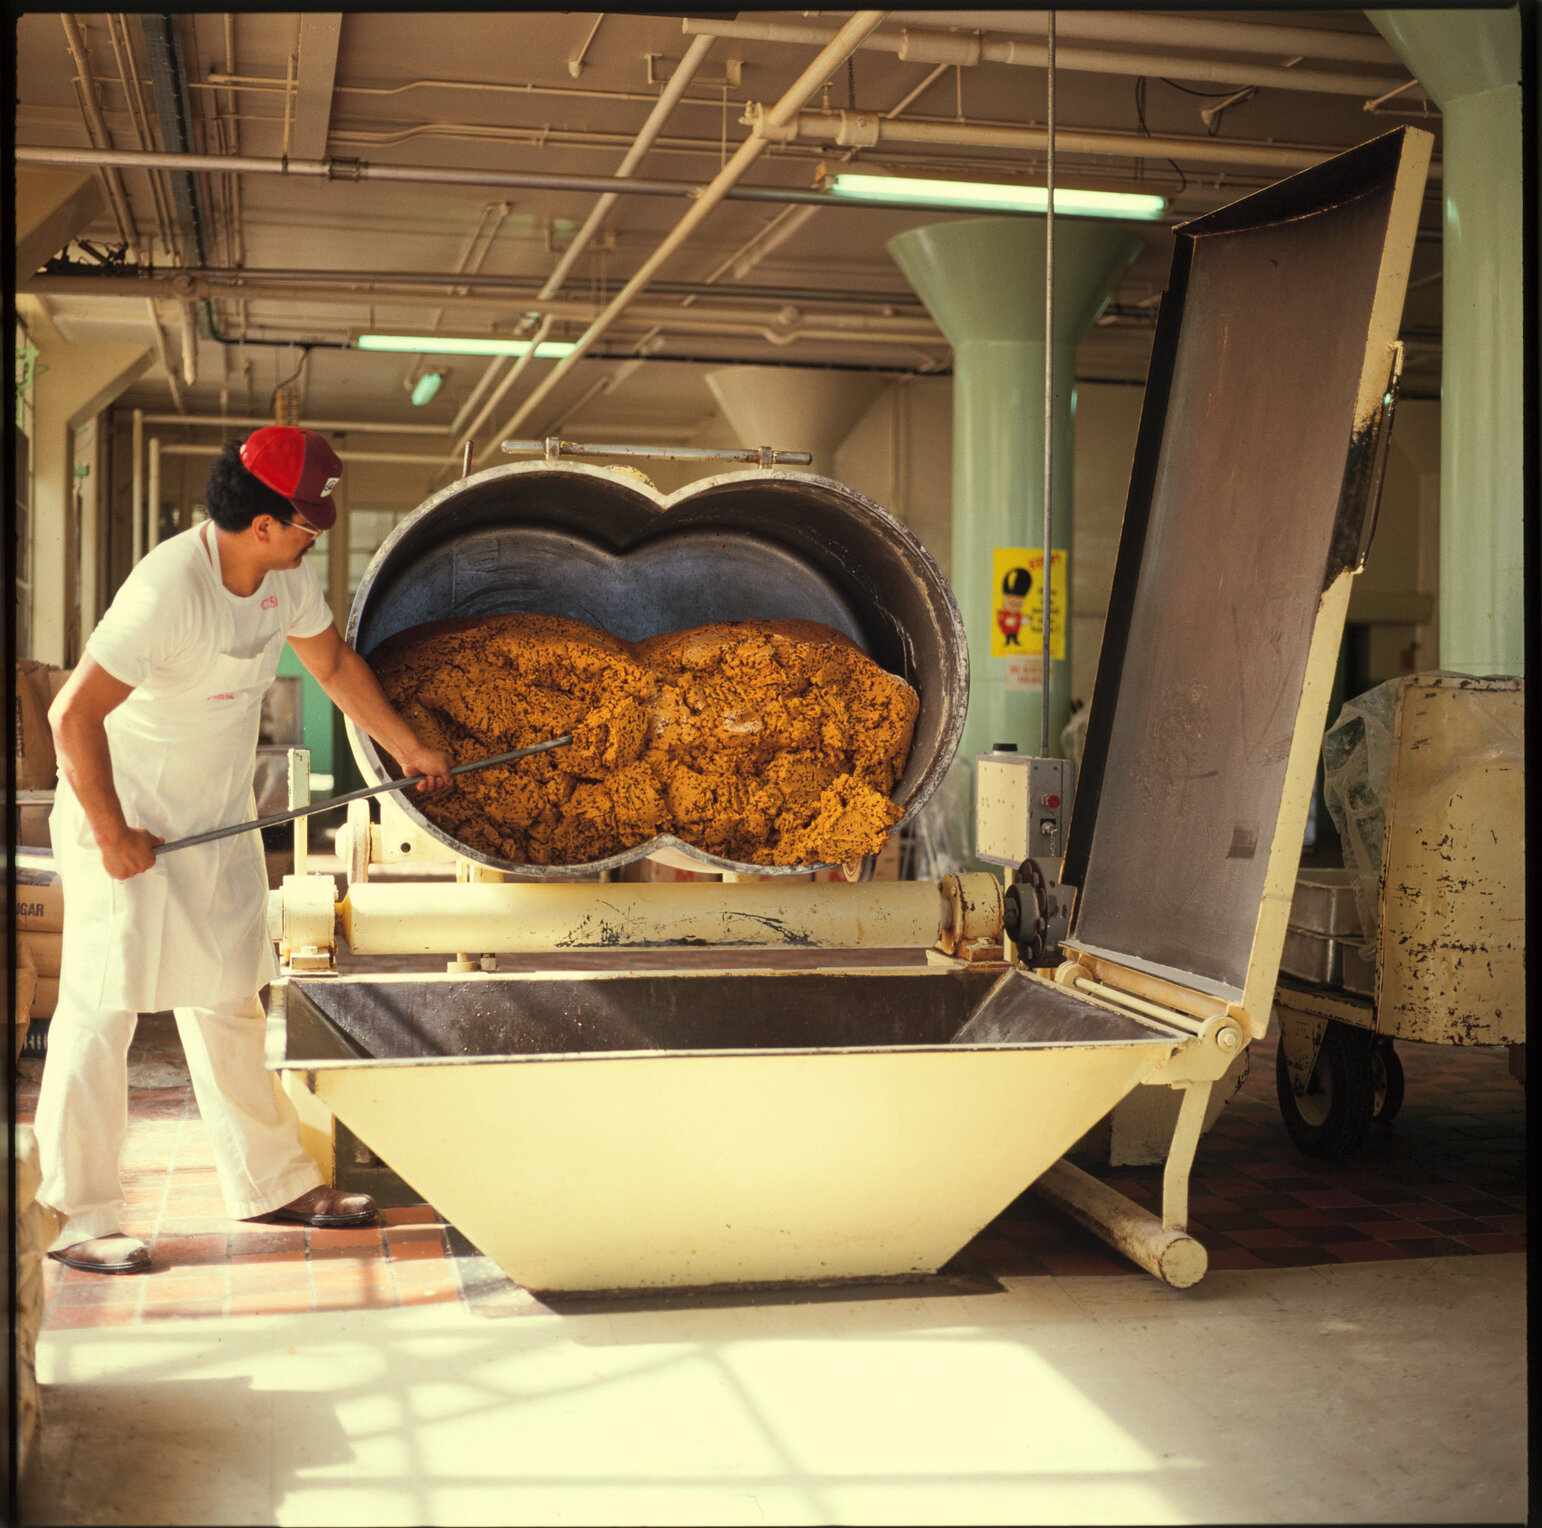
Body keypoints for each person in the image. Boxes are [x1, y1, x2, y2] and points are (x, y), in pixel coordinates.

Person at [37, 426, 454, 1275]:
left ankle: (268, 1183)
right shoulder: (167, 590)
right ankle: (78, 1214)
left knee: (230, 992)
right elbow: (70, 714)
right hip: (127, 816)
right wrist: (113, 835)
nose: (316, 537)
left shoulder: (284, 580)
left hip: (214, 818)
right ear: (261, 522)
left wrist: (406, 747)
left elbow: (333, 666)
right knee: (101, 1009)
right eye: (307, 524)